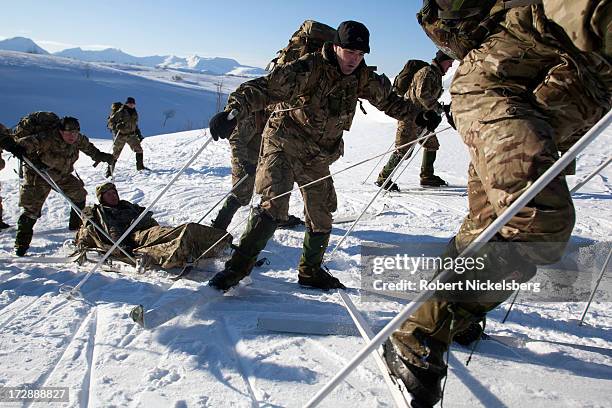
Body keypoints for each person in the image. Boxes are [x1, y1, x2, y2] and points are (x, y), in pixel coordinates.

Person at [383, 1, 612, 406]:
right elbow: (574, 11)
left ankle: (457, 315)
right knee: (537, 227)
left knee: (487, 223)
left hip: (542, 112)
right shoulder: (436, 68)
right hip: (496, 88)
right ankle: (417, 331)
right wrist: (427, 113)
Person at [207, 20, 433, 291]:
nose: (354, 59)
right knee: (274, 205)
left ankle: (310, 272)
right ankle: (235, 270)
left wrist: (418, 114)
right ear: (336, 46)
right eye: (350, 52)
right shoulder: (309, 68)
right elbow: (265, 88)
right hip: (283, 144)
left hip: (317, 155)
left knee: (321, 213)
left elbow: (389, 101)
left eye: (360, 55)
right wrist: (233, 112)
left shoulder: (361, 76)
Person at [13, 116, 114, 256]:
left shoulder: (77, 139)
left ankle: (75, 226)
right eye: (69, 133)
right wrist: (34, 160)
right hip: (38, 176)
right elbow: (21, 145)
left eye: (75, 132)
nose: (72, 136)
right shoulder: (46, 138)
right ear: (60, 131)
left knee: (79, 194)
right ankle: (21, 246)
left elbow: (89, 148)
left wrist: (101, 156)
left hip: (61, 175)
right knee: (31, 210)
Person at [76, 182, 231, 269]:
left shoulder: (126, 205)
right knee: (185, 230)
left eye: (114, 192)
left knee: (186, 229)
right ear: (102, 198)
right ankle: (200, 250)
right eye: (109, 194)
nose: (114, 196)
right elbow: (113, 232)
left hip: (149, 229)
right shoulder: (105, 213)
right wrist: (123, 246)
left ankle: (222, 243)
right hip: (137, 236)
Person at [211, 108, 304, 231]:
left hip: (264, 152)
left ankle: (274, 217)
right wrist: (244, 163)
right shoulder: (247, 116)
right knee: (241, 193)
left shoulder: (275, 106)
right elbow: (236, 141)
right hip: (245, 156)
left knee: (272, 186)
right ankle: (218, 227)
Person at [375, 51, 454, 190]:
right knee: (403, 150)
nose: (451, 65)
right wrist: (435, 108)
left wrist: (439, 108)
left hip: (422, 119)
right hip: (409, 117)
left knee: (432, 144)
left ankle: (427, 176)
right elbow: (422, 94)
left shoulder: (435, 74)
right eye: (449, 62)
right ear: (442, 60)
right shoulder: (427, 72)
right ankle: (383, 178)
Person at [107, 97, 147, 176]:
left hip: (131, 135)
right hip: (120, 136)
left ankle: (140, 167)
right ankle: (109, 172)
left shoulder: (134, 112)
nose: (131, 105)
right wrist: (117, 126)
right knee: (115, 154)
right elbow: (110, 123)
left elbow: (135, 125)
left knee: (139, 150)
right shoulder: (121, 111)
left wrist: (139, 134)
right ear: (126, 103)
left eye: (133, 104)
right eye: (130, 103)